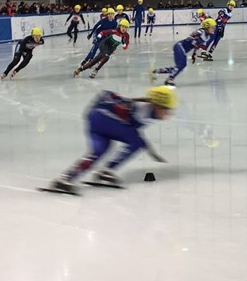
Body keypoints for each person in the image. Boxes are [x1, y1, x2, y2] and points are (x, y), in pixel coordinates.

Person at [44, 86, 176, 195]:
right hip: (102, 118)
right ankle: (106, 171)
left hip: (96, 117)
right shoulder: (143, 110)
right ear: (158, 106)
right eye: (167, 109)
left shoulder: (147, 109)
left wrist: (149, 150)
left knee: (98, 151)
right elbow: (133, 133)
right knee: (136, 142)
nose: (169, 114)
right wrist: (148, 148)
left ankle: (66, 178)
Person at [150, 18, 215, 86]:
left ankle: (155, 71)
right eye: (212, 27)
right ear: (207, 27)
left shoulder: (207, 37)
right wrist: (195, 42)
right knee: (182, 65)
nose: (214, 29)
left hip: (183, 48)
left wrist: (194, 53)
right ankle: (169, 79)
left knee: (179, 67)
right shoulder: (199, 32)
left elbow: (197, 45)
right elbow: (189, 38)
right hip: (179, 46)